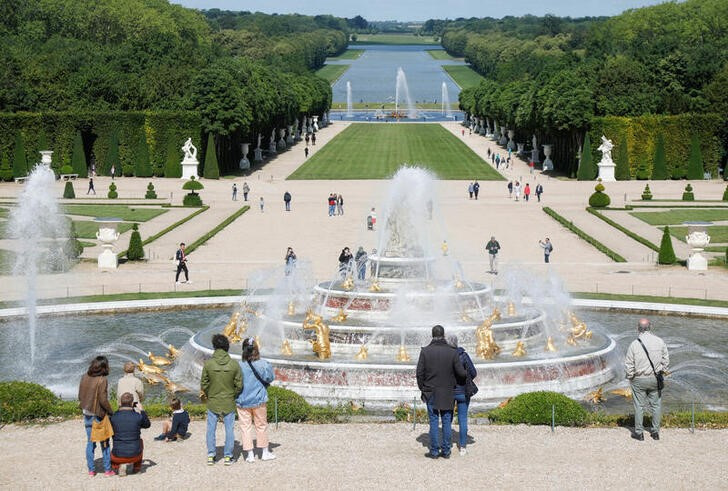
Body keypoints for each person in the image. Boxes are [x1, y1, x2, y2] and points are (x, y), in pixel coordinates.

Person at [416, 325, 466, 459]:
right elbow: (461, 373)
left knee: (433, 421)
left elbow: (419, 373)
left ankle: (433, 451)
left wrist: (422, 388)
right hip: (447, 390)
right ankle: (446, 450)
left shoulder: (425, 351)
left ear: (432, 336)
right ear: (443, 335)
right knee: (446, 420)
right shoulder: (452, 352)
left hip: (430, 390)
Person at [201, 334, 243, 466]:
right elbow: (239, 385)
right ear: (227, 347)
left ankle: (211, 455)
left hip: (213, 400)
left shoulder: (208, 364)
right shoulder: (234, 364)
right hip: (229, 400)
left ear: (214, 346)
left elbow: (204, 383)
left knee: (210, 429)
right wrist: (233, 394)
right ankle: (228, 456)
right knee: (229, 429)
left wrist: (210, 393)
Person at [625, 318, 669, 441]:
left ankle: (639, 433)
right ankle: (655, 433)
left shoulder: (634, 344)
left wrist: (630, 377)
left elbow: (629, 364)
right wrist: (662, 371)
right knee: (656, 406)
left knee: (639, 406)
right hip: (655, 378)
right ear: (650, 327)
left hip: (639, 379)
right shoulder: (660, 341)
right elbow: (666, 360)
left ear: (638, 328)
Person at [236, 337, 277, 463]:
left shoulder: (238, 365)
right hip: (259, 399)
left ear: (243, 350)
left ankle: (250, 455)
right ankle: (265, 452)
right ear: (256, 350)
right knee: (261, 426)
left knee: (245, 427)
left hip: (242, 400)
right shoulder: (264, 363)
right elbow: (270, 378)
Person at [78, 356, 114, 477]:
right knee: (104, 442)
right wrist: (110, 411)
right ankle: (108, 470)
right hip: (97, 415)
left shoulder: (84, 377)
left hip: (86, 413)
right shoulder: (102, 380)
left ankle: (91, 470)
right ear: (104, 367)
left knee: (90, 442)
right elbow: (103, 400)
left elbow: (80, 395)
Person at [447, 335, 477, 456]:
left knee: (447, 419)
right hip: (463, 392)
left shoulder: (446, 356)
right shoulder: (463, 355)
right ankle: (463, 447)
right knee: (463, 419)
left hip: (449, 392)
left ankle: (447, 445)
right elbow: (474, 372)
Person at [110, 392, 150, 475]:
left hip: (117, 456)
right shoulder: (138, 417)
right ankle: (136, 468)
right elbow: (147, 425)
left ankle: (118, 466)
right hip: (135, 455)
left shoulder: (114, 417)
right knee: (140, 441)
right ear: (132, 403)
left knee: (116, 442)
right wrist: (142, 410)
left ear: (120, 403)